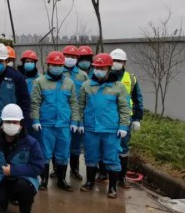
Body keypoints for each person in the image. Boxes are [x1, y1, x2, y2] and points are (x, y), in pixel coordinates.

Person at [77, 53, 131, 198]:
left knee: (111, 158)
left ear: (109, 68)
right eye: (96, 68)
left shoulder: (118, 87)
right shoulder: (87, 85)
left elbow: (125, 108)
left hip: (110, 130)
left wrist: (123, 126)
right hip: (91, 128)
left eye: (102, 68)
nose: (98, 70)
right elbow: (80, 105)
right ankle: (89, 182)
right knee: (91, 156)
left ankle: (112, 188)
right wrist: (80, 122)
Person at [30, 52, 79, 192]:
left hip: (64, 125)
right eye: (54, 65)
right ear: (48, 65)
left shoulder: (69, 83)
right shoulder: (39, 82)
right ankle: (44, 180)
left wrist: (75, 121)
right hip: (46, 125)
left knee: (63, 154)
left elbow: (74, 103)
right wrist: (35, 119)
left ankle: (61, 180)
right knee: (45, 153)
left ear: (63, 66)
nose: (57, 67)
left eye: (59, 65)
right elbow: (35, 102)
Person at [106, 48, 144, 188]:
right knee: (105, 144)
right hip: (107, 117)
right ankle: (103, 174)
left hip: (125, 118)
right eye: (114, 60)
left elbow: (137, 98)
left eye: (119, 61)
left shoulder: (131, 78)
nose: (116, 63)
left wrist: (137, 118)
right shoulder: (104, 76)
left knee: (123, 147)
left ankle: (121, 178)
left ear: (124, 62)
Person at [61, 45, 89, 180]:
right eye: (67, 56)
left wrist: (82, 118)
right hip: (62, 114)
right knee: (60, 143)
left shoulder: (83, 75)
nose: (70, 59)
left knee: (76, 145)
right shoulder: (58, 72)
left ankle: (74, 169)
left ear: (77, 58)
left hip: (77, 114)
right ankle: (57, 169)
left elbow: (87, 96)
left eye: (73, 57)